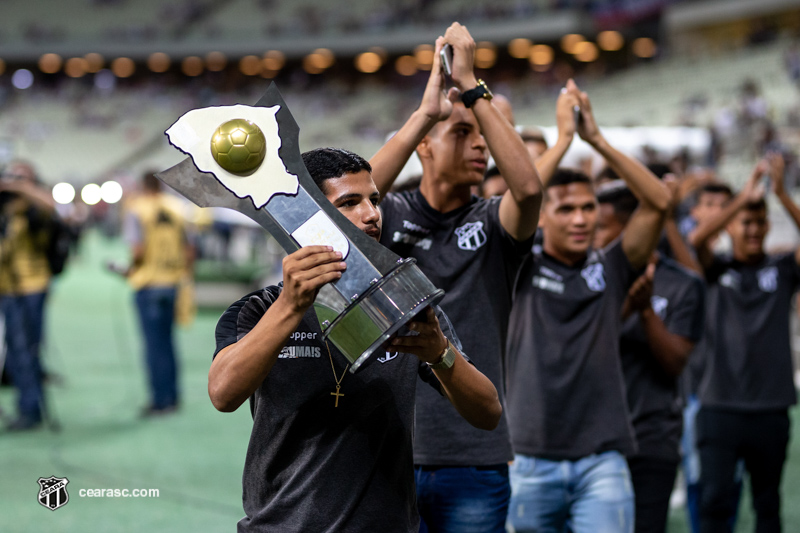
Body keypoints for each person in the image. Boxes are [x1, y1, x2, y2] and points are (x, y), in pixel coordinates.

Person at [209, 148, 502, 532]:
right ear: (306, 218)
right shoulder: (259, 309)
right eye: (350, 202)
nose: (372, 214)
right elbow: (223, 394)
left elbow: (488, 412)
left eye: (374, 200)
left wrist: (440, 354)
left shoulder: (405, 306)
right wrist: (291, 306)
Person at [368, 23, 542, 532]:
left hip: (474, 453)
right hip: (390, 451)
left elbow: (529, 191)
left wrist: (472, 90)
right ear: (424, 147)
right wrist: (425, 113)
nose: (478, 146)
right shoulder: (391, 214)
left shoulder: (492, 220)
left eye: (481, 135)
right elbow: (337, 215)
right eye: (460, 133)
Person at [504, 79, 671, 533]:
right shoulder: (516, 264)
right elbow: (518, 195)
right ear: (543, 216)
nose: (580, 218)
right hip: (528, 459)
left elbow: (659, 201)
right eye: (565, 209)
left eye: (588, 207)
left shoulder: (612, 266)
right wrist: (561, 143)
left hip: (603, 459)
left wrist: (597, 139)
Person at [691, 153, 800, 533]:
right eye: (745, 222)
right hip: (719, 406)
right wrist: (742, 197)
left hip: (771, 408)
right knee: (714, 501)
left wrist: (783, 194)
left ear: (769, 225)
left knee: (768, 505)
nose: (753, 230)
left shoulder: (783, 268)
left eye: (759, 222)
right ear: (731, 226)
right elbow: (698, 238)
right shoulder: (714, 268)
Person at [594, 182, 706, 533]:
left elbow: (675, 362)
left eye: (601, 226)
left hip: (653, 436)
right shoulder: (588, 278)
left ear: (633, 229)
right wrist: (628, 305)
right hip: (594, 437)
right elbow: (588, 346)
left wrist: (646, 313)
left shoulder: (684, 285)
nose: (589, 232)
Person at [122, 172, 192, 416]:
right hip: (173, 282)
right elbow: (190, 249)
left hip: (149, 283)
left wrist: (130, 268)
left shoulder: (136, 209)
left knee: (154, 346)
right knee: (168, 343)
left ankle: (160, 400)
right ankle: (173, 396)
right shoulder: (178, 208)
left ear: (142, 186)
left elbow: (138, 250)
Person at [0, 161, 57, 430]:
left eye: (20, 177)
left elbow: (52, 206)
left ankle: (30, 408)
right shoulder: (7, 207)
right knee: (15, 350)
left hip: (31, 286)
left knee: (27, 349)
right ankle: (27, 404)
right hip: (7, 287)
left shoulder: (35, 205)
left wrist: (21, 187)